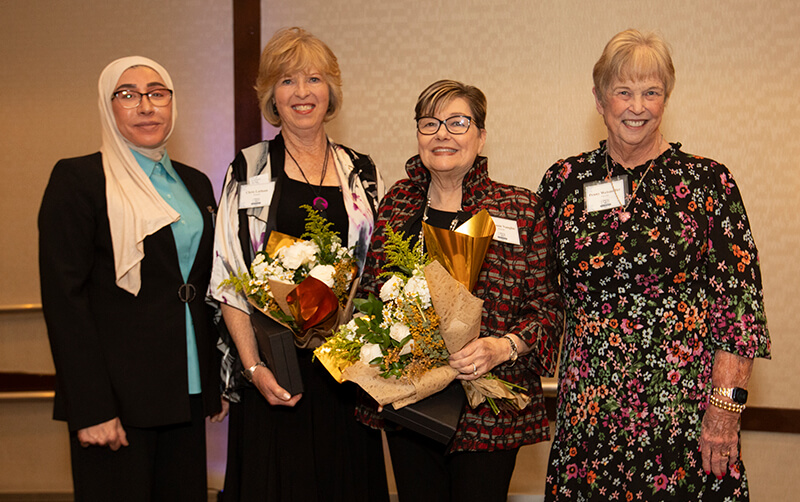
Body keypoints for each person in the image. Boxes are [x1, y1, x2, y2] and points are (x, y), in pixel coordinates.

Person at [538, 29, 771, 501]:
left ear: (666, 98)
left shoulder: (708, 183)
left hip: (683, 418)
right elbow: (538, 290)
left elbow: (740, 311)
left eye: (651, 92)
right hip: (590, 415)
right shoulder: (564, 181)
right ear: (600, 98)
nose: (637, 106)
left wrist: (724, 414)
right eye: (623, 91)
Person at [356, 79, 564, 502]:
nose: (442, 135)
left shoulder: (520, 209)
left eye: (457, 122)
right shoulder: (397, 202)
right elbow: (372, 291)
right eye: (430, 123)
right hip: (410, 402)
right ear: (417, 134)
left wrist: (503, 346)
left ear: (481, 135)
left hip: (488, 406)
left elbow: (549, 305)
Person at [208, 27, 389, 501]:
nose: (302, 92)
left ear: (331, 92)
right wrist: (252, 369)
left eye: (314, 79)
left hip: (346, 373)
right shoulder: (247, 169)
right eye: (287, 81)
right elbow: (228, 279)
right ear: (272, 96)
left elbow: (379, 274)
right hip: (273, 369)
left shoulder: (363, 172)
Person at [38, 56, 226, 501]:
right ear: (108, 105)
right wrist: (91, 408)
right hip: (116, 400)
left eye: (157, 93)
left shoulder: (195, 183)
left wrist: (214, 385)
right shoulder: (79, 179)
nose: (146, 106)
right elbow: (65, 302)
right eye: (128, 95)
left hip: (186, 389)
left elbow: (205, 288)